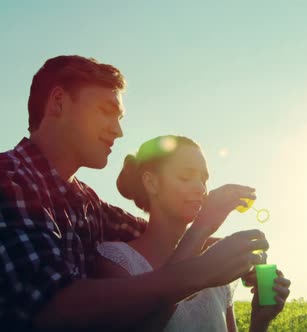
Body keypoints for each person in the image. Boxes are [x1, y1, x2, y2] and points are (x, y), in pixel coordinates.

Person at [0, 55, 270, 331]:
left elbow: (150, 232)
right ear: (59, 102)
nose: (117, 131)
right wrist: (203, 268)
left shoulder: (86, 202)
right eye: (106, 111)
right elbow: (52, 310)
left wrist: (223, 248)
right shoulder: (9, 177)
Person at [96, 135, 290, 331]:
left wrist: (259, 321)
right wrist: (202, 226)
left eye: (204, 180)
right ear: (151, 183)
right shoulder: (116, 261)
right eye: (186, 177)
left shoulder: (215, 267)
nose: (200, 188)